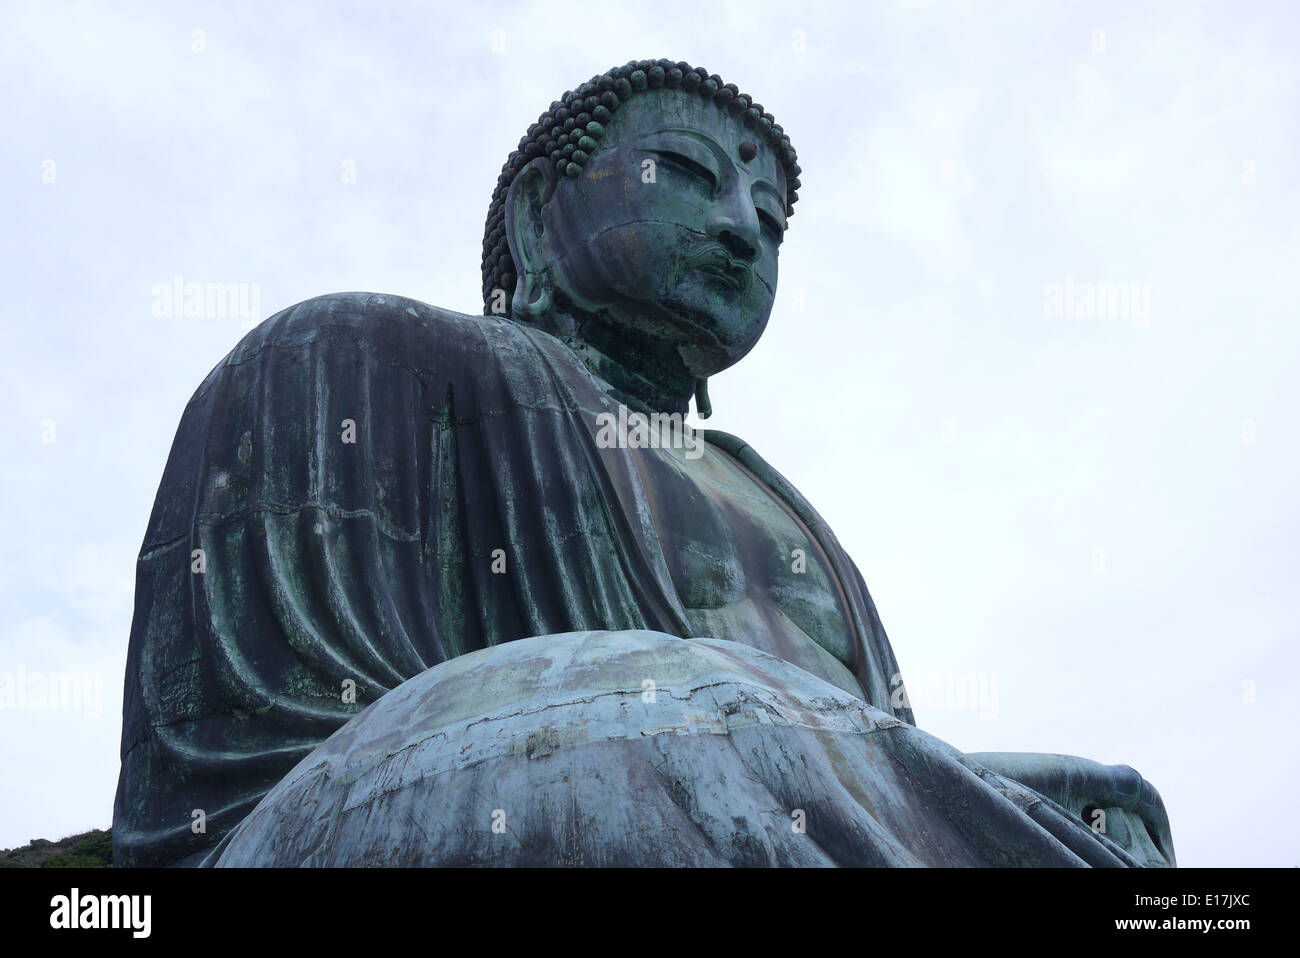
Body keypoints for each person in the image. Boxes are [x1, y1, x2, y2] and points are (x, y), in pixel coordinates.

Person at [114, 59, 1175, 867]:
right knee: (710, 735)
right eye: (688, 177)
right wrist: (728, 718)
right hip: (438, 800)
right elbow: (257, 772)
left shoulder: (782, 507)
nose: (739, 233)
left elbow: (877, 755)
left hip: (746, 767)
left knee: (1113, 816)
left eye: (766, 220)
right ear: (537, 214)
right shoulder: (356, 354)